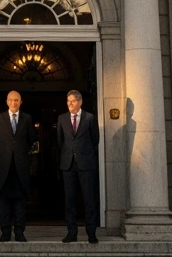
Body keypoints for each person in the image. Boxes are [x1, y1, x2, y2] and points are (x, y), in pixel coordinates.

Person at [0, 90, 37, 242]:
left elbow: (31, 139)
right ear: (7, 101)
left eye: (17, 100)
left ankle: (20, 232)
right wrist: (7, 152)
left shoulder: (27, 118)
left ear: (21, 102)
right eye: (11, 100)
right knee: (4, 200)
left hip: (21, 166)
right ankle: (5, 232)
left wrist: (19, 152)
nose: (14, 102)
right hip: (4, 167)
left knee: (20, 201)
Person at [56, 89, 100, 244]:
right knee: (70, 200)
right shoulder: (62, 118)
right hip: (68, 165)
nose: (70, 104)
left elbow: (95, 140)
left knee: (89, 199)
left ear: (80, 102)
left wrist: (83, 153)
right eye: (68, 101)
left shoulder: (90, 118)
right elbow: (60, 142)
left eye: (73, 101)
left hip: (86, 164)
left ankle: (91, 233)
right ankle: (71, 233)